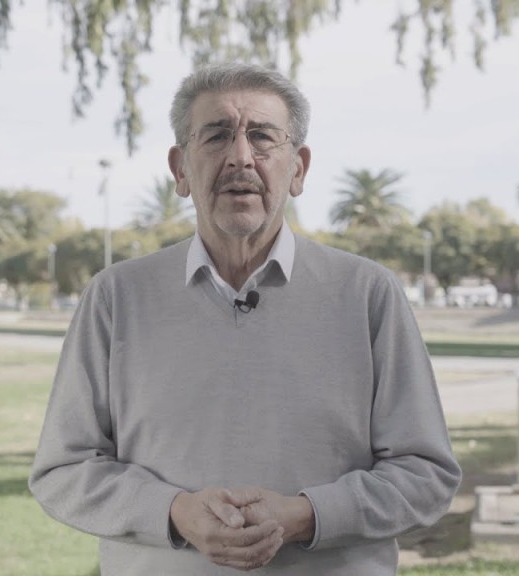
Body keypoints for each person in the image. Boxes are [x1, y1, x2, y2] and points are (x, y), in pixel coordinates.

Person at [29, 62, 460, 575]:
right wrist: (174, 512)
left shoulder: (368, 294)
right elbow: (63, 469)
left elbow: (425, 474)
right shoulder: (116, 298)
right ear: (180, 169)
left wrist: (308, 516)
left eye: (262, 137)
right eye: (216, 136)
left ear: (298, 168)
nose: (240, 157)